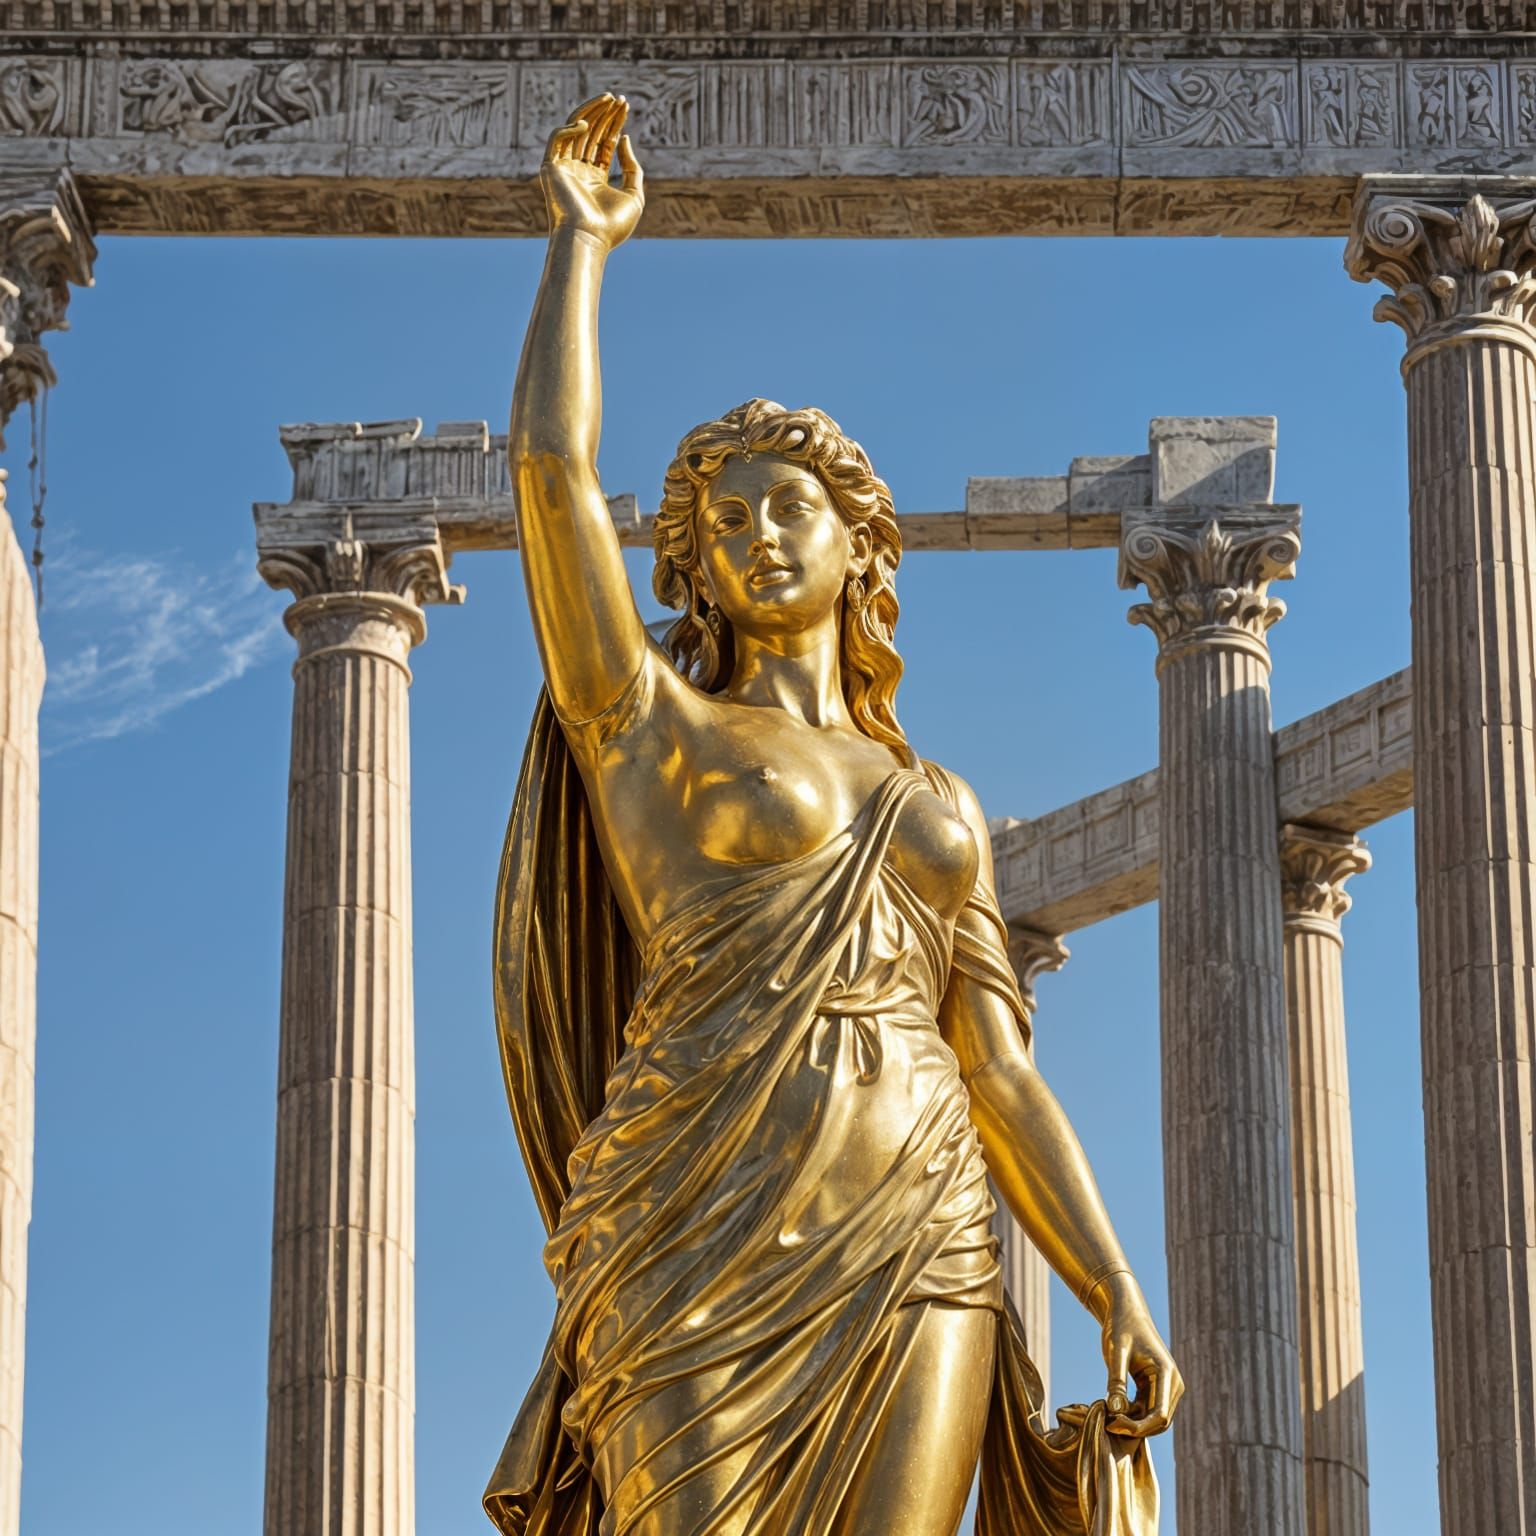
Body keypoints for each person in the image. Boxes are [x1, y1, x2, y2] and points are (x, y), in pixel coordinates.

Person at [484, 93, 1182, 1536]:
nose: (753, 537)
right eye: (722, 524)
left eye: (784, 507)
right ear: (691, 567)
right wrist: (579, 247)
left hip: (923, 1222)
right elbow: (552, 477)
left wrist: (1110, 1280)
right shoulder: (646, 726)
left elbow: (998, 1070)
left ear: (860, 540)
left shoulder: (937, 801)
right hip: (693, 1216)